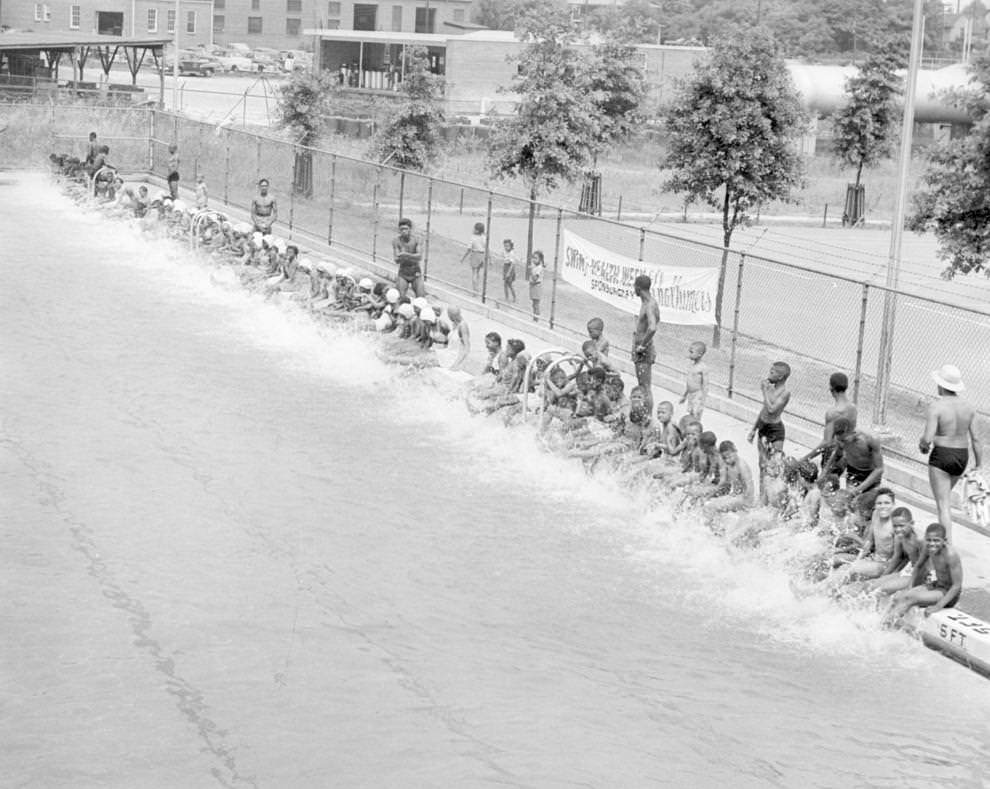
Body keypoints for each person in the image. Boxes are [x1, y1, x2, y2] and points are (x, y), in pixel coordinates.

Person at [919, 364, 982, 542]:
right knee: (944, 498)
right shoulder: (969, 407)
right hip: (962, 456)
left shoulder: (936, 407)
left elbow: (928, 438)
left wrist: (922, 445)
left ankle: (947, 546)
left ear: (940, 384)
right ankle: (941, 538)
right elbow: (976, 439)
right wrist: (979, 465)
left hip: (942, 455)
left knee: (943, 505)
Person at [885, 523, 963, 624]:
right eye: (929, 540)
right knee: (899, 596)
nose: (932, 544)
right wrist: (909, 587)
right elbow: (918, 566)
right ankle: (886, 622)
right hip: (937, 585)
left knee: (911, 598)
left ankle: (884, 627)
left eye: (936, 540)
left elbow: (957, 586)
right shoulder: (928, 548)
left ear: (944, 540)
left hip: (947, 593)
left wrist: (938, 606)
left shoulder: (950, 555)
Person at [801, 372, 858, 468]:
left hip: (832, 456)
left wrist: (805, 458)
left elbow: (827, 442)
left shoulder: (832, 413)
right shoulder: (853, 409)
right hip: (846, 455)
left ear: (831, 388)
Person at [824, 416, 885, 497]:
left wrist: (857, 490)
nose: (842, 444)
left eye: (844, 440)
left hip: (870, 475)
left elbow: (879, 469)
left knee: (866, 503)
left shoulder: (871, 439)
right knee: (844, 502)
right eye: (839, 440)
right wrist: (825, 471)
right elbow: (836, 455)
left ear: (852, 432)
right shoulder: (839, 438)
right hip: (852, 471)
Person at [747, 361, 791, 471]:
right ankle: (763, 487)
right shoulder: (770, 389)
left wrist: (764, 391)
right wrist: (754, 429)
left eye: (772, 373)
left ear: (780, 376)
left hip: (775, 429)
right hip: (763, 426)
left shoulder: (785, 393)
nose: (768, 375)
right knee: (762, 464)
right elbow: (764, 410)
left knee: (775, 464)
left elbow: (772, 409)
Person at [632, 274, 660, 412]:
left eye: (634, 287)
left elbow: (652, 327)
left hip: (643, 350)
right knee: (643, 384)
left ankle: (647, 415)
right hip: (642, 348)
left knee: (644, 386)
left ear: (638, 288)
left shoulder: (649, 305)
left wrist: (642, 344)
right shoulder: (647, 303)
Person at [391, 217, 426, 299]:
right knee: (399, 297)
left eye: (406, 229)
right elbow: (396, 259)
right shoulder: (396, 241)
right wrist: (404, 256)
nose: (403, 231)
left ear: (410, 229)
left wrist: (405, 255)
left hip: (415, 272)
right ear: (399, 230)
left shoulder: (417, 239)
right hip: (403, 273)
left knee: (421, 298)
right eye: (401, 229)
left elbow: (419, 256)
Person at [680, 340, 708, 419]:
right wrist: (684, 396)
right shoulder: (691, 365)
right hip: (691, 394)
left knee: (696, 414)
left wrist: (702, 402)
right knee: (691, 413)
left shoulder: (703, 368)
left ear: (700, 354)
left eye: (691, 352)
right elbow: (689, 383)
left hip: (698, 395)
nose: (689, 354)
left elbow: (705, 386)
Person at [460, 222, 487, 296]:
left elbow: (469, 249)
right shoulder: (484, 237)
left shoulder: (473, 238)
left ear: (477, 230)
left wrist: (463, 258)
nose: (473, 229)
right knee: (478, 273)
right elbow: (486, 247)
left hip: (475, 254)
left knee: (474, 273)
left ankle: (475, 291)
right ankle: (477, 288)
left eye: (474, 228)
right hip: (482, 255)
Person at [528, 250, 546, 322]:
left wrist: (531, 270)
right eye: (533, 258)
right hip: (533, 286)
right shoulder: (535, 267)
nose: (534, 260)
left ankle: (536, 318)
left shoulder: (539, 268)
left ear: (540, 260)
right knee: (534, 303)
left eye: (536, 258)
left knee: (536, 304)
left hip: (537, 286)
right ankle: (534, 317)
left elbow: (535, 278)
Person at [501, 239, 518, 303]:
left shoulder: (512, 253)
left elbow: (512, 264)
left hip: (510, 268)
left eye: (507, 246)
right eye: (505, 246)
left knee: (510, 284)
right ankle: (507, 297)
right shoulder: (505, 252)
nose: (506, 247)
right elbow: (504, 259)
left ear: (511, 246)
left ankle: (514, 297)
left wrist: (508, 272)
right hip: (505, 266)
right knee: (505, 284)